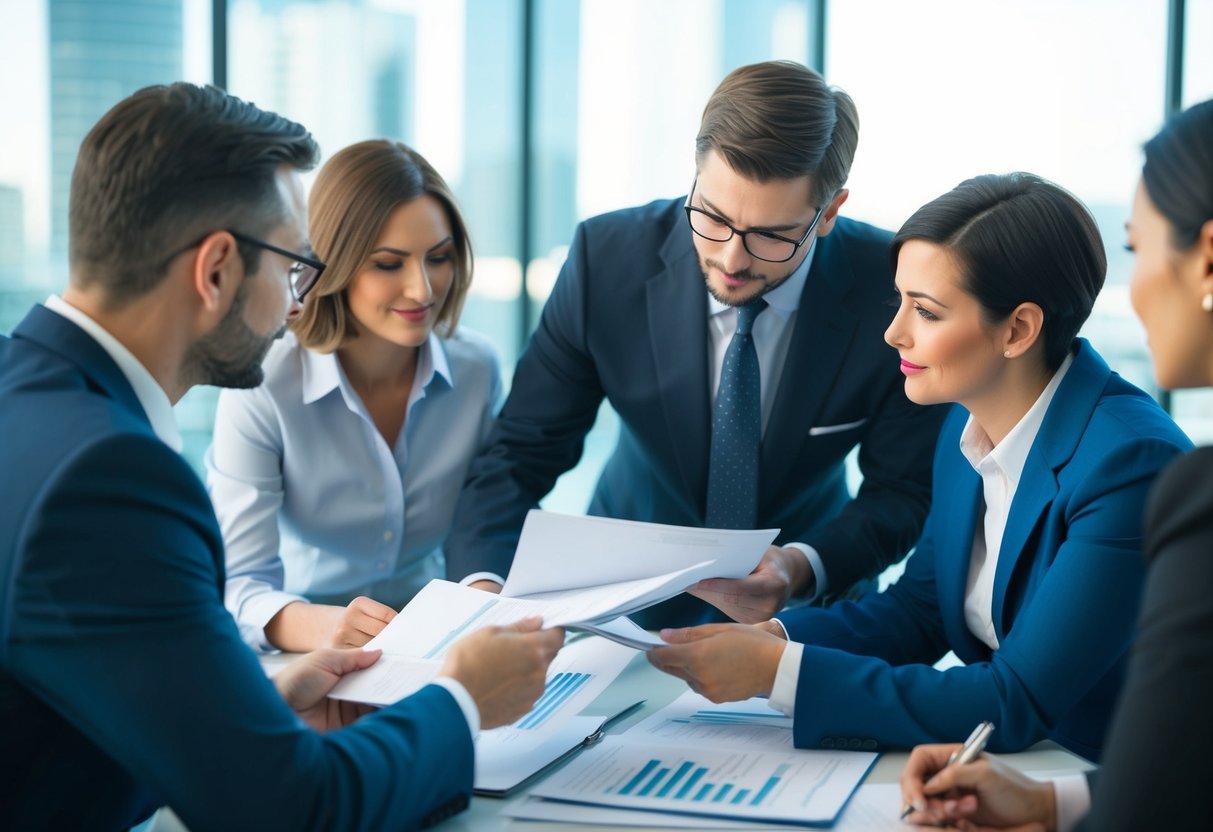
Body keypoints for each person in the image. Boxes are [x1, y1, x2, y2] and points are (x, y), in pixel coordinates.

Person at [0, 83, 563, 831]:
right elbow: (293, 809)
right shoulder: (108, 478)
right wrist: (460, 700)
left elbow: (70, 696)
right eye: (294, 264)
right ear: (217, 269)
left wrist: (251, 709)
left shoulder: (25, 395)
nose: (299, 301)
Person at [647, 171, 1193, 761]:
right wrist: (773, 639)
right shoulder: (966, 428)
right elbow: (921, 611)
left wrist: (779, 673)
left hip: (1104, 777)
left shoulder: (1130, 465)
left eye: (927, 313)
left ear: (1018, 329)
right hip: (1014, 768)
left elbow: (1017, 702)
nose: (893, 333)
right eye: (899, 302)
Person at [445, 60, 947, 627]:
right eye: (712, 216)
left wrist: (802, 568)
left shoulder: (892, 290)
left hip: (804, 616)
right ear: (695, 171)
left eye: (771, 236)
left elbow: (902, 490)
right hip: (618, 602)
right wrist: (484, 595)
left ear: (829, 212)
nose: (732, 259)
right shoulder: (606, 260)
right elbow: (517, 456)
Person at [899, 99, 1213, 831]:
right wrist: (1050, 802)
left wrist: (779, 674)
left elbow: (1155, 783)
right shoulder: (963, 429)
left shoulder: (1156, 471)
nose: (1131, 292)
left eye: (1136, 250)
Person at [206, 139, 501, 652]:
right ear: (332, 264)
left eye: (439, 258)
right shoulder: (265, 382)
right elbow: (237, 584)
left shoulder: (477, 369)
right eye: (388, 264)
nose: (423, 290)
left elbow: (489, 518)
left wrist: (485, 594)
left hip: (439, 647)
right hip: (303, 653)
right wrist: (324, 627)